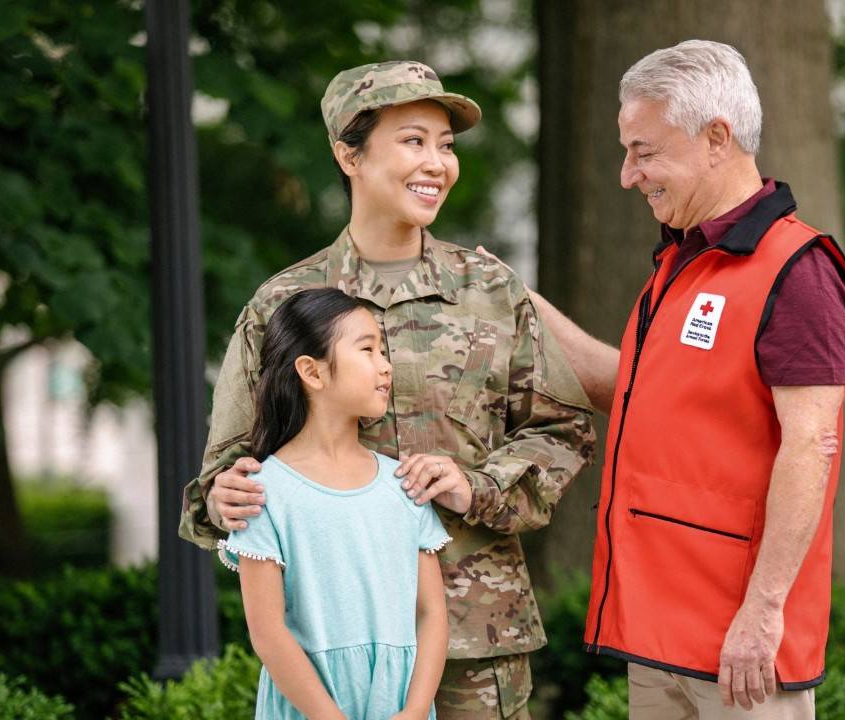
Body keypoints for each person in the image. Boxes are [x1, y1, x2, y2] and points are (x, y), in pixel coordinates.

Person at [178, 61, 596, 720]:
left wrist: (476, 485)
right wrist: (224, 496)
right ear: (349, 154)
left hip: (475, 641)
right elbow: (222, 478)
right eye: (413, 140)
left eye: (446, 145)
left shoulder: (491, 290)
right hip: (332, 655)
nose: (437, 163)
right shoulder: (283, 306)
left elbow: (563, 429)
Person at [522, 40, 845, 719]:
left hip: (742, 651)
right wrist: (516, 301)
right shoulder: (684, 261)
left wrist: (763, 616)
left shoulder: (797, 270)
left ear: (716, 139)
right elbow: (631, 393)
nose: (627, 175)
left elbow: (810, 446)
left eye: (644, 151)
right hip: (661, 635)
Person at [223, 289, 449, 719]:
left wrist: (416, 710)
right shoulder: (263, 491)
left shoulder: (403, 484)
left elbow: (432, 611)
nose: (385, 366)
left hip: (400, 703)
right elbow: (268, 633)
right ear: (312, 371)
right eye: (367, 349)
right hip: (308, 708)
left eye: (383, 351)